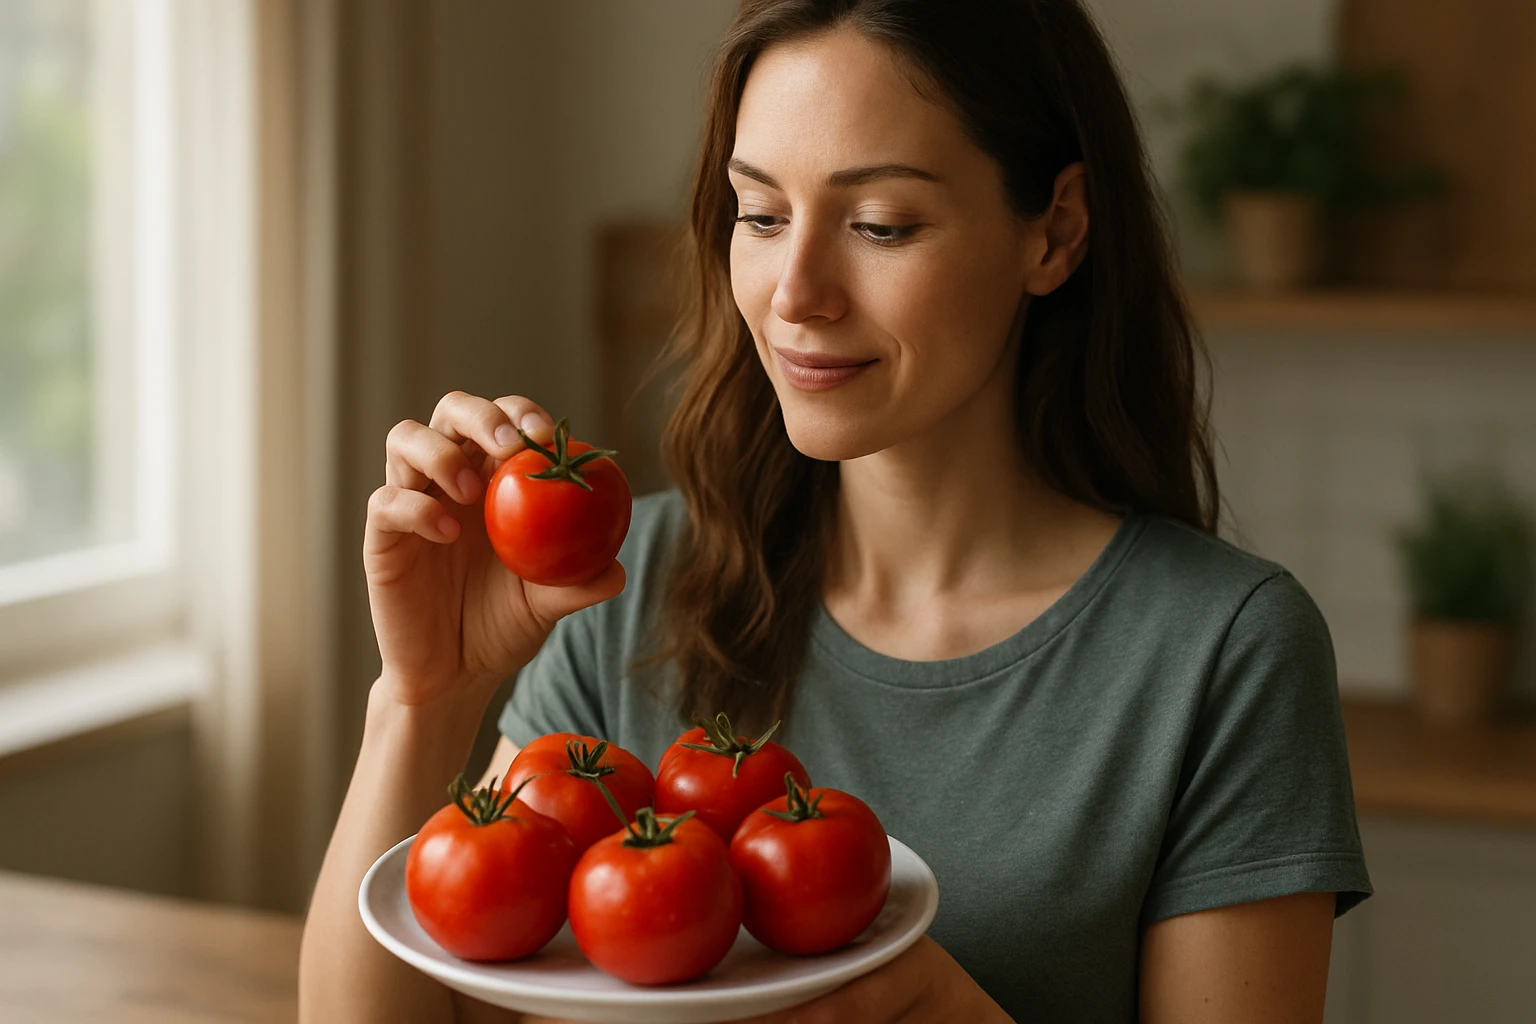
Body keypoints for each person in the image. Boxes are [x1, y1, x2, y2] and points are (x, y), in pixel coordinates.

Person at [299, 1, 1373, 1021]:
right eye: (760, 214)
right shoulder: (630, 587)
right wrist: (424, 696)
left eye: (880, 223)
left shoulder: (1225, 652)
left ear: (1055, 231)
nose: (793, 290)